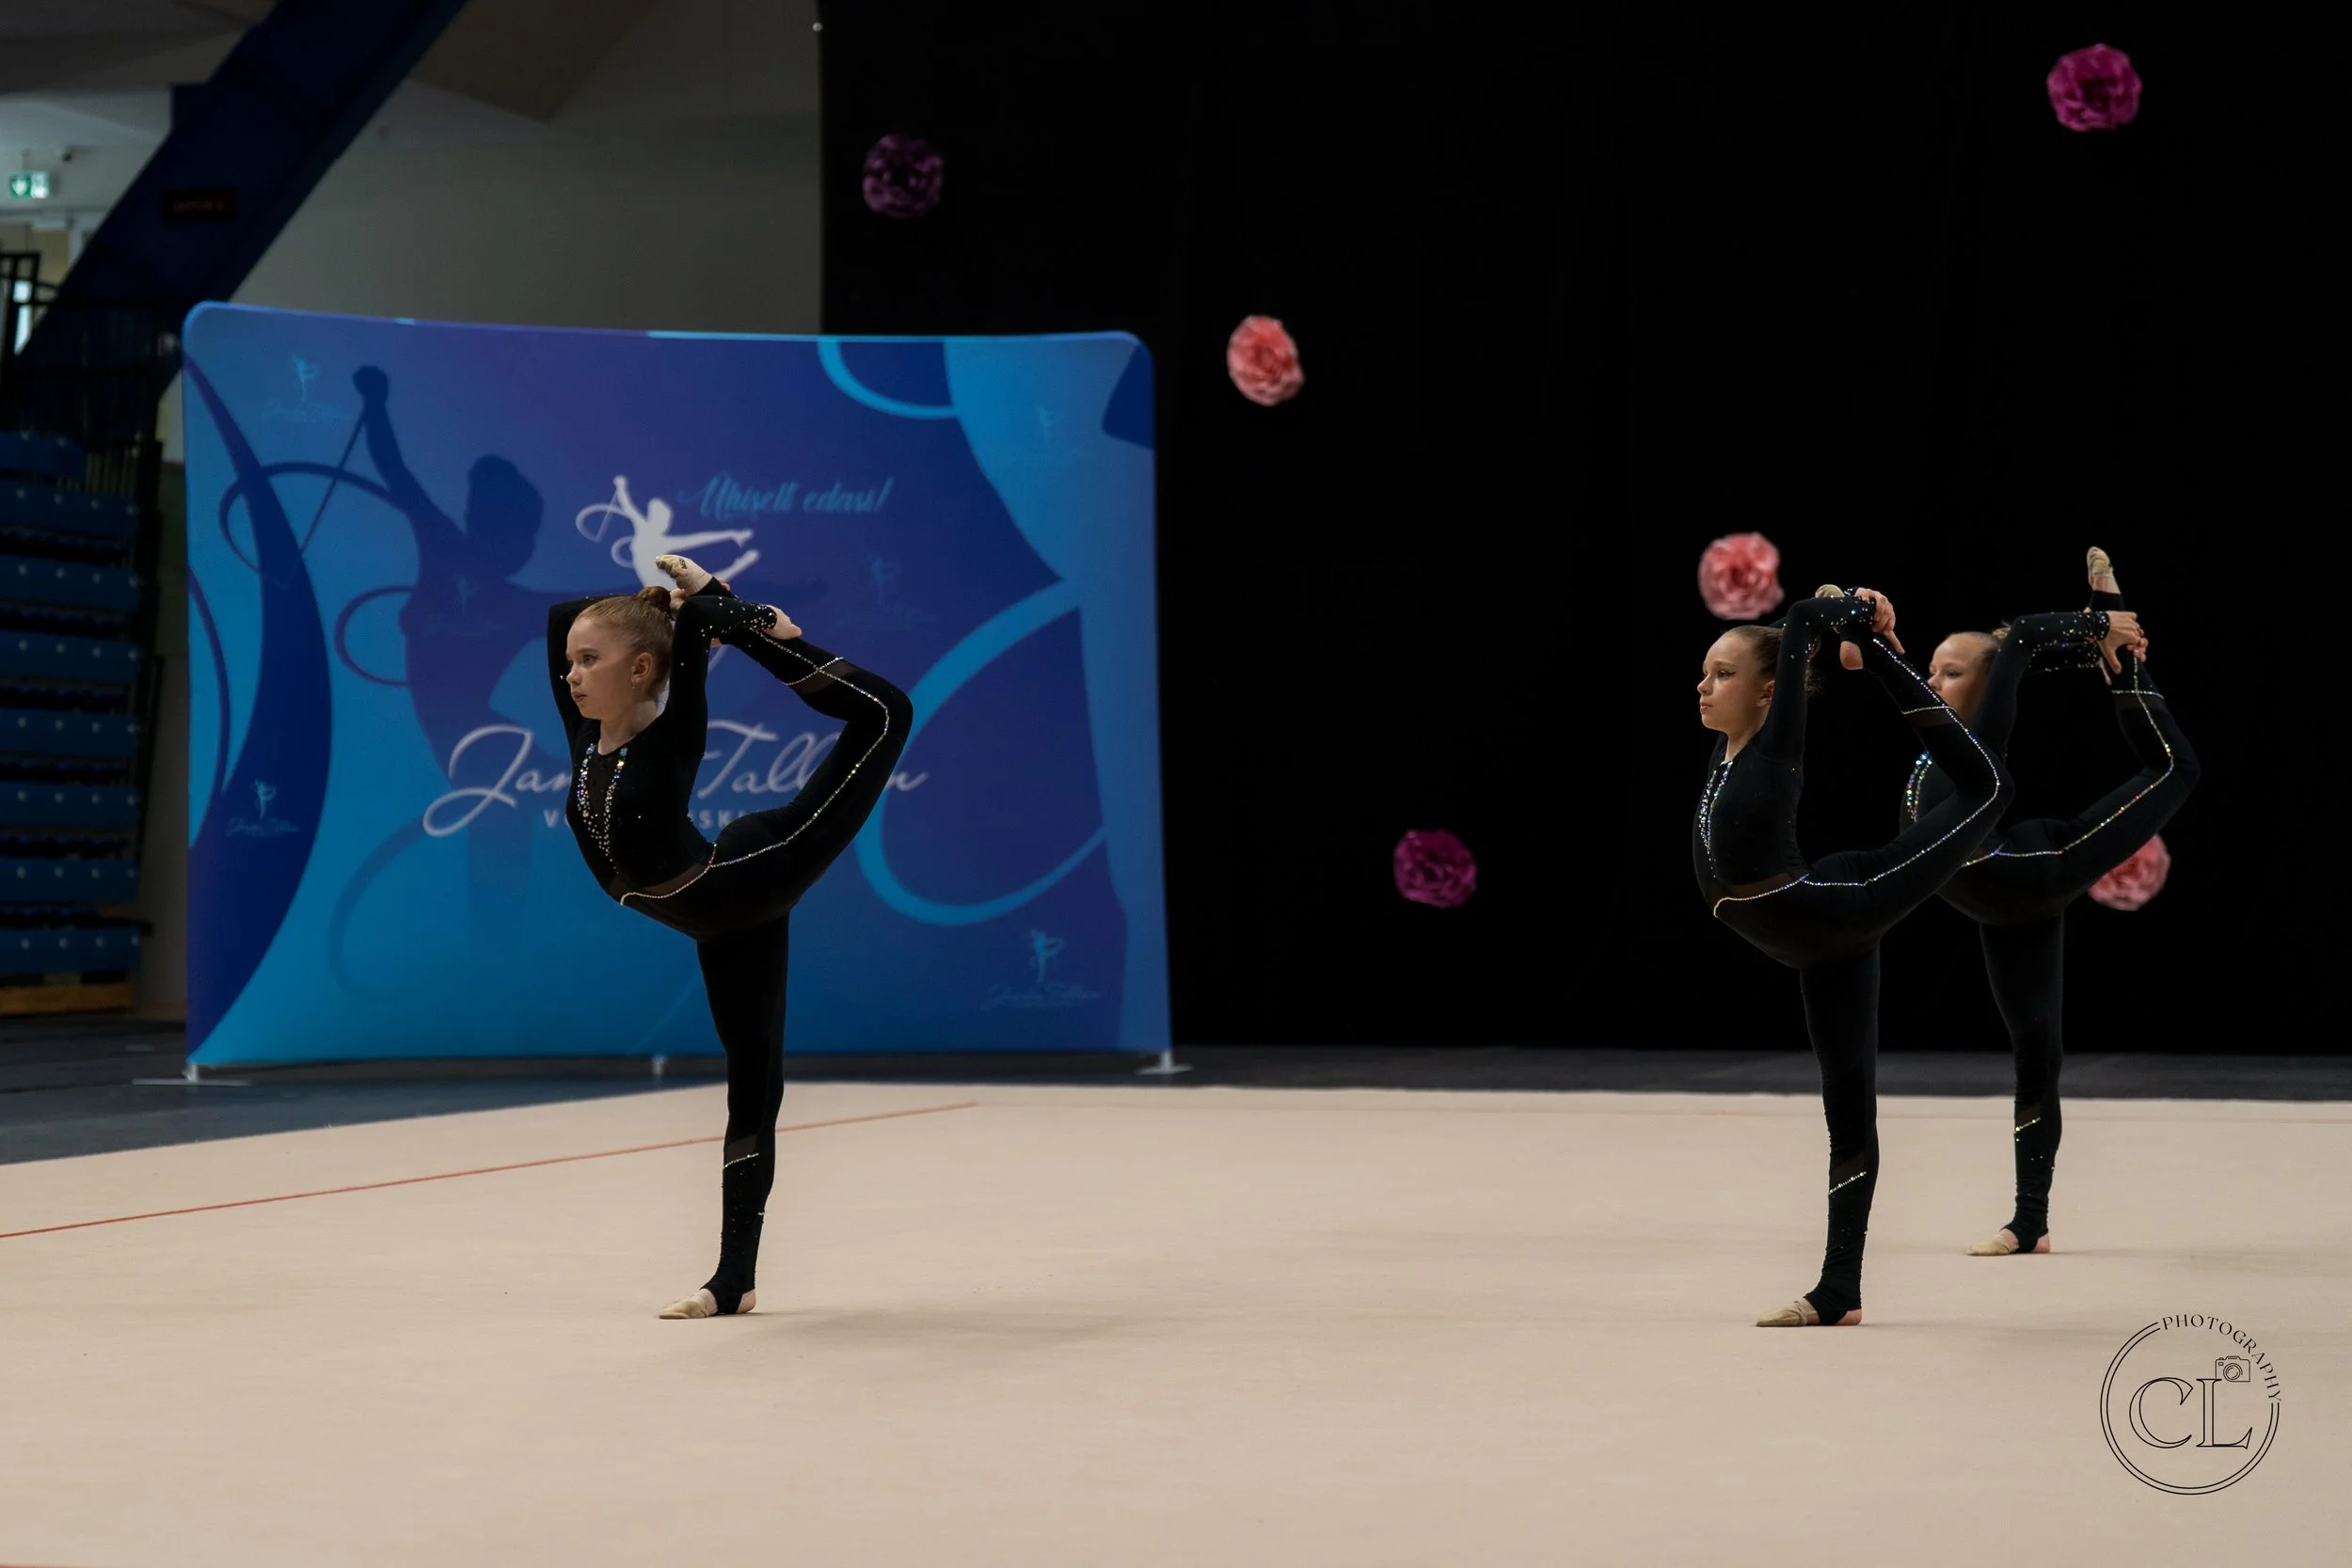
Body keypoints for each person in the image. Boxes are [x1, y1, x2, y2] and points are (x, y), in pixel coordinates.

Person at [548, 554, 914, 1318]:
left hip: (756, 872)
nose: (573, 673)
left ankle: (733, 1274)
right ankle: (732, 1281)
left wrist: (732, 612)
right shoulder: (586, 735)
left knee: (885, 713)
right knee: (752, 1085)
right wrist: (658, 605)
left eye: (590, 660)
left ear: (644, 667)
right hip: (716, 914)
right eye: (572, 663)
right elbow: (561, 616)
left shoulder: (670, 737)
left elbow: (702, 630)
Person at [1693, 585, 2009, 1326]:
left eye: (1721, 674)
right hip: (1817, 939)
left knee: (1988, 785)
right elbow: (1786, 634)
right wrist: (1844, 615)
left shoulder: (1775, 748)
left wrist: (1853, 613)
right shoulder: (1728, 751)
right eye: (1706, 672)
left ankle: (1893, 663)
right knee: (1848, 1115)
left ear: (1768, 694)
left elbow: (1797, 625)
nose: (1704, 685)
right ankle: (1840, 1291)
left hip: (1842, 904)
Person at [1911, 547, 2196, 1259]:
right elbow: (2026, 651)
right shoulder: (1934, 733)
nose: (1932, 680)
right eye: (1931, 667)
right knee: (2035, 1054)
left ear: (1988, 684)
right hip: (1999, 905)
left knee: (2176, 767)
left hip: (2037, 868)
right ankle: (2029, 1223)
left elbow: (2026, 640)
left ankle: (2128, 663)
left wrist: (2097, 619)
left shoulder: (1979, 742)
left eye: (1952, 671)